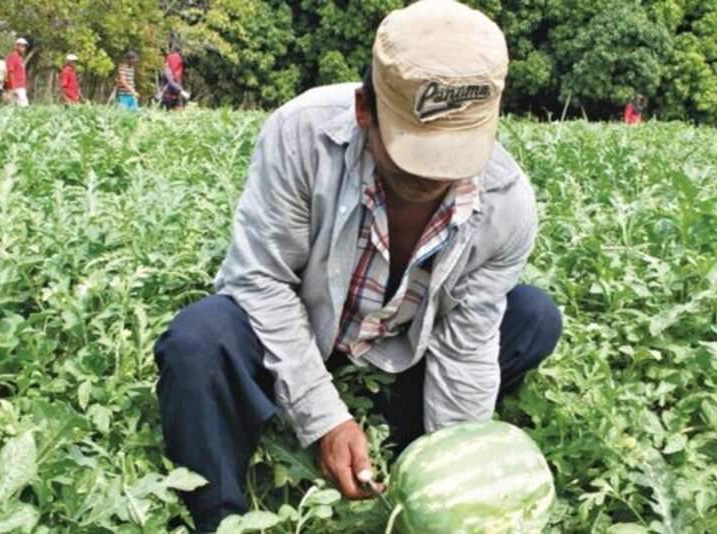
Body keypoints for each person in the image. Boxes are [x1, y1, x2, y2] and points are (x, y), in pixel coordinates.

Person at [152, 1, 563, 532]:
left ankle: (398, 437)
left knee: (533, 316)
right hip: (302, 335)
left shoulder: (507, 202)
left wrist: (455, 479)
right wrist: (325, 418)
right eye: (414, 153)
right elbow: (261, 281)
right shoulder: (301, 135)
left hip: (400, 353)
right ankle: (220, 517)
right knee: (200, 338)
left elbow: (467, 343)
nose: (432, 178)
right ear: (364, 110)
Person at [5, 38, 29, 107]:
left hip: (21, 87)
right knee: (24, 108)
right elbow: (10, 72)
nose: (23, 48)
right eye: (21, 46)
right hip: (16, 87)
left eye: (24, 46)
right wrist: (14, 88)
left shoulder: (20, 58)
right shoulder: (13, 56)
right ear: (16, 46)